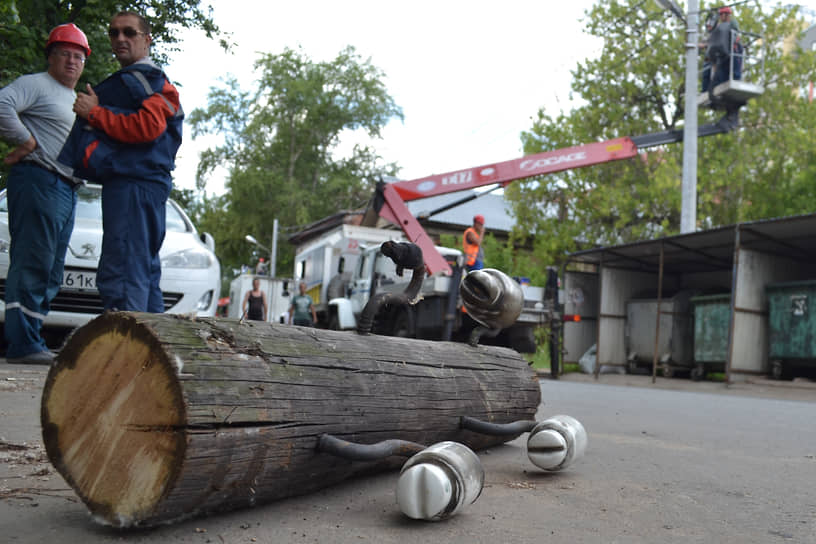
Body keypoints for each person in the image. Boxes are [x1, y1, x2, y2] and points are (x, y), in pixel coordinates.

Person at [58, 11, 183, 312]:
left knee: (124, 271)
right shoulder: (150, 82)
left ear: (147, 40)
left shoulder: (146, 80)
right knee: (143, 272)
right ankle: (151, 354)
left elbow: (148, 127)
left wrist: (94, 113)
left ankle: (127, 355)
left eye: (129, 32)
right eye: (114, 33)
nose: (120, 39)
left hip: (133, 185)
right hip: (142, 185)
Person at [0, 23, 89, 364]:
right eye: (65, 53)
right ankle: (22, 344)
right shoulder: (35, 84)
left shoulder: (73, 98)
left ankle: (32, 340)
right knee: (33, 262)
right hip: (39, 179)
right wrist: (26, 141)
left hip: (65, 189)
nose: (72, 61)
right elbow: (2, 104)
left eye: (78, 56)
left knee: (51, 268)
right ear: (51, 56)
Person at [701, 6, 741, 93]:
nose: (721, 17)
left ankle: (735, 81)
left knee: (734, 69)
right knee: (720, 72)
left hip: (732, 49)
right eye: (720, 15)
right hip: (721, 53)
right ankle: (716, 86)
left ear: (727, 15)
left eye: (722, 15)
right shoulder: (718, 26)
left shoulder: (732, 23)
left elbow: (735, 35)